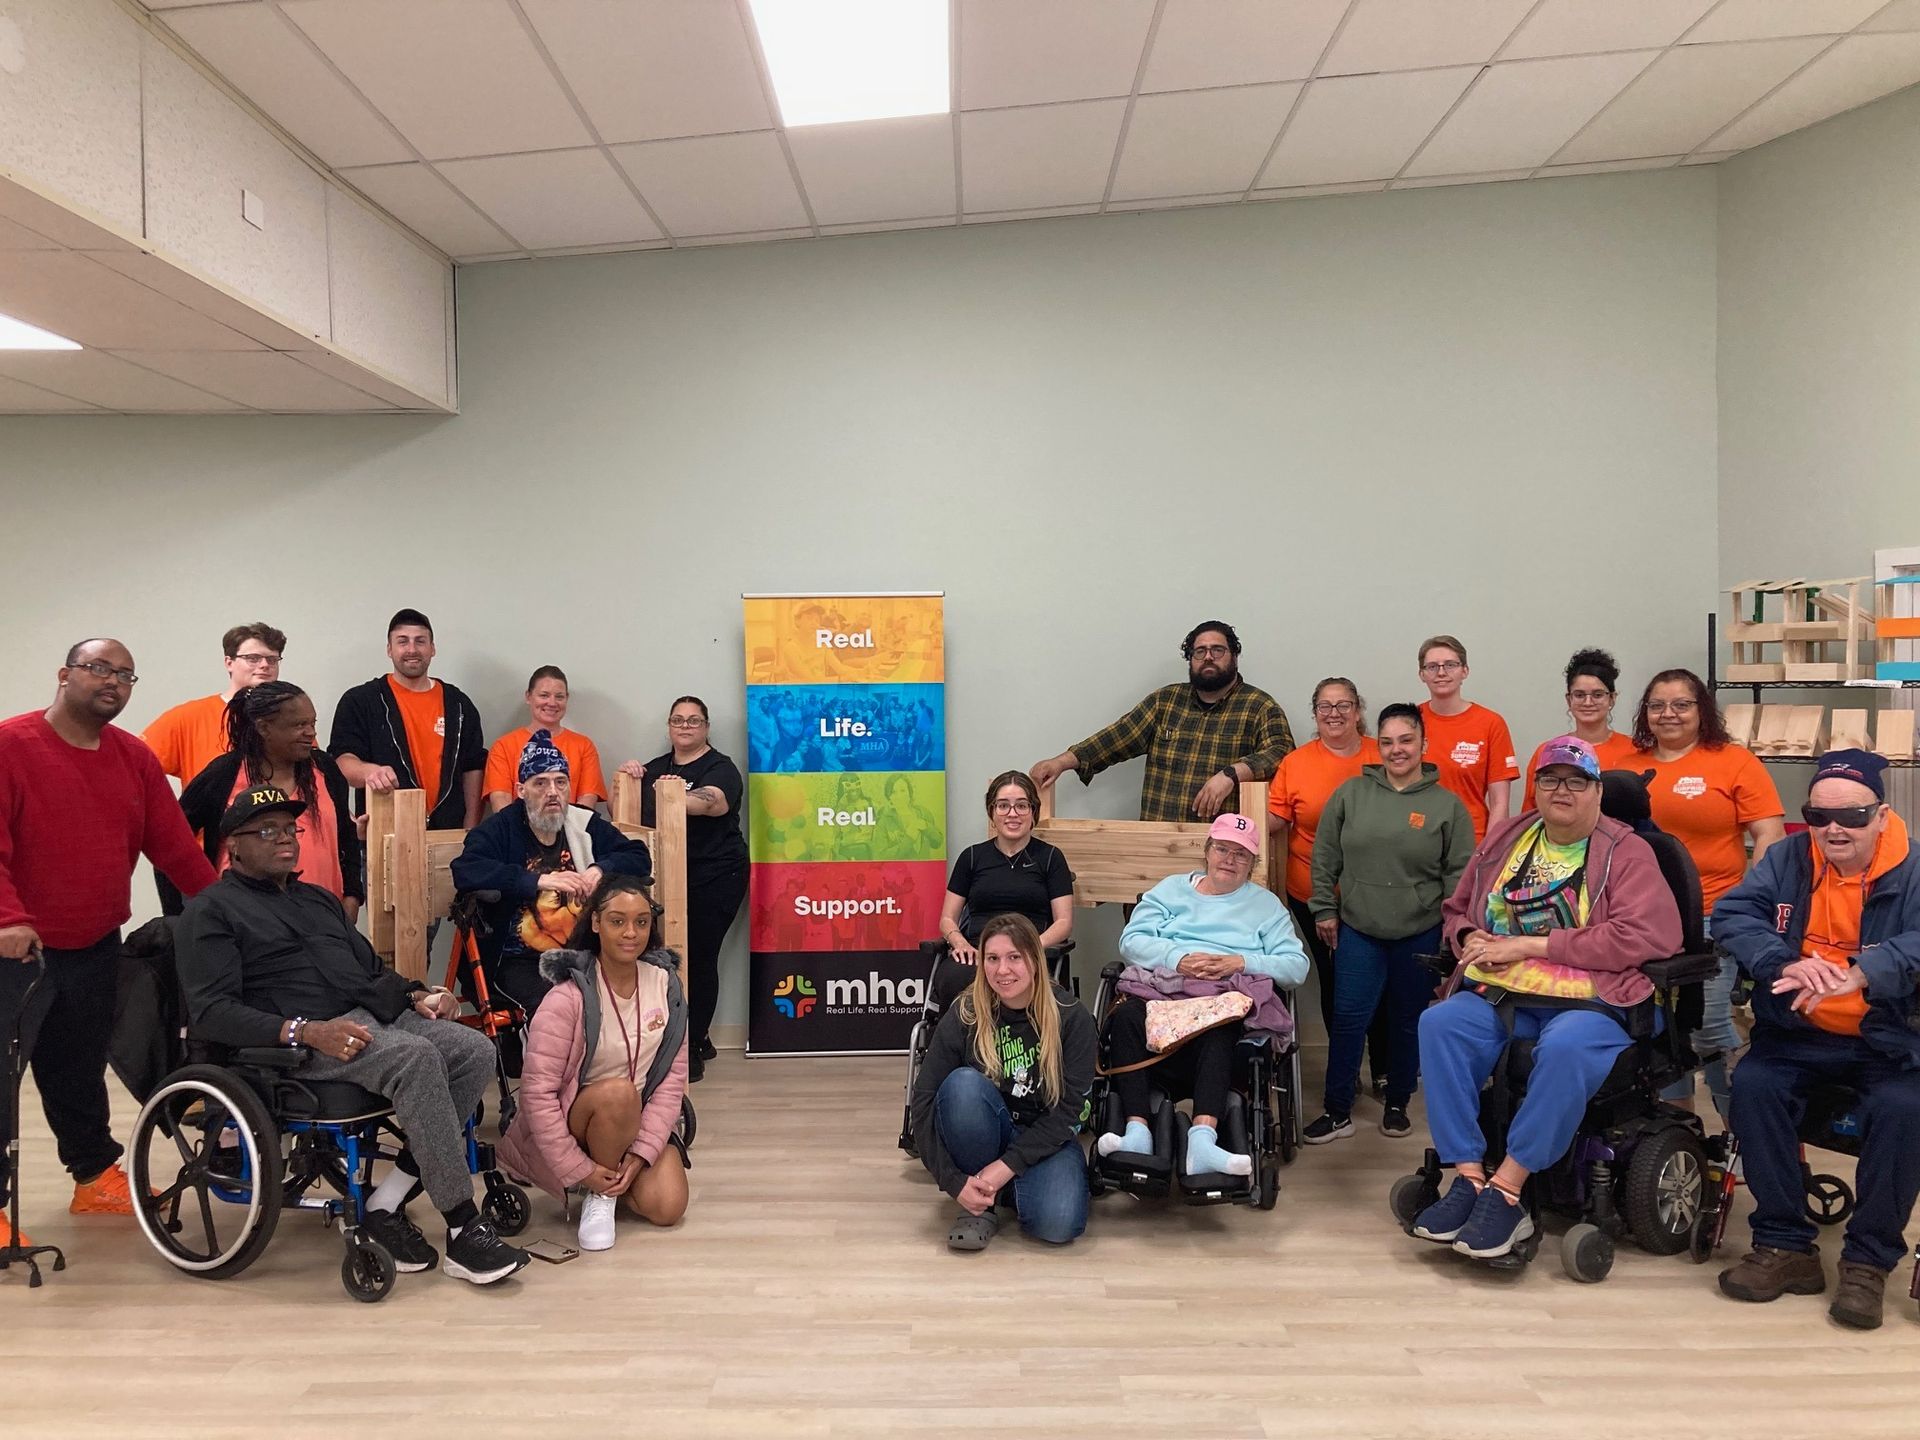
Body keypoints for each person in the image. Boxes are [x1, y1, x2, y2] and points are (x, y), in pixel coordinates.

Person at [178, 785, 529, 1286]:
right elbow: (211, 1012)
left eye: (290, 829)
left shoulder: (317, 901)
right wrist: (306, 1031)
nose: (286, 840)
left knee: (472, 1048)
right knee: (414, 1057)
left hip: (367, 1018)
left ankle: (384, 1204)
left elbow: (367, 970)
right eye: (268, 831)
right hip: (294, 1045)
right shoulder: (210, 911)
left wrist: (416, 995)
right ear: (233, 845)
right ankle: (462, 1228)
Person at [1407, 737, 1682, 1261]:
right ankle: (1467, 1177)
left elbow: (1650, 936)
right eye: (1550, 779)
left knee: (1565, 1049)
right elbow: (1458, 908)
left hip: (1592, 1000)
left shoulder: (1628, 852)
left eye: (1576, 781)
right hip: (1503, 992)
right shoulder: (1509, 835)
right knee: (1440, 1025)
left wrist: (1535, 944)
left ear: (1597, 791)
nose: (1562, 790)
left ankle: (1508, 1190)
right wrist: (1467, 938)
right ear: (1535, 788)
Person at [0, 640, 218, 1245]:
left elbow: (173, 845)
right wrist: (7, 919)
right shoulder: (10, 746)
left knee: (78, 1067)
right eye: (100, 668)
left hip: (95, 942)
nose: (114, 682)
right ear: (64, 674)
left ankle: (94, 1176)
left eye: (126, 675)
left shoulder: (134, 758)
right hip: (16, 951)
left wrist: (228, 910)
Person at [1713, 750, 1920, 1331]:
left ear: (1881, 815)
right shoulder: (1785, 859)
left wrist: (1864, 972)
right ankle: (1786, 1246)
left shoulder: (1915, 870)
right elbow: (1733, 915)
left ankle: (1867, 1264)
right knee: (1753, 1084)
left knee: (1906, 1108)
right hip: (1797, 1032)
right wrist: (1785, 960)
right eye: (1819, 815)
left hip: (1890, 1039)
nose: (1835, 829)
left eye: (1853, 816)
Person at [1097, 813, 1309, 1178]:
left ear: (1254, 864)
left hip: (1220, 1000)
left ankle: (1204, 1140)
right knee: (1129, 1016)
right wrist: (1178, 960)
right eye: (1222, 849)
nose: (1229, 859)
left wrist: (1239, 962)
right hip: (1163, 990)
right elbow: (1131, 941)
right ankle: (1136, 1132)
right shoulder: (1170, 890)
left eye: (1241, 854)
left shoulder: (1267, 907)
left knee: (1221, 1022)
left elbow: (1296, 966)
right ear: (1207, 851)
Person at [1304, 703, 1474, 1143]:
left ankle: (1398, 1101)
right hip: (1359, 929)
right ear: (1376, 745)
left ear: (1422, 744)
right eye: (1387, 741)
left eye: (1406, 740)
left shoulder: (1447, 807)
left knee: (1407, 1020)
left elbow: (1459, 875)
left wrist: (1451, 931)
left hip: (1419, 931)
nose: (1396, 750)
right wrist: (1324, 908)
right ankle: (1337, 1109)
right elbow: (1325, 856)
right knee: (1347, 1020)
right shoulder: (1351, 794)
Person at [497, 873, 689, 1252]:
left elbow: (671, 1081)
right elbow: (537, 1096)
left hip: (630, 1125)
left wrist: (641, 1153)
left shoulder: (666, 985)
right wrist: (580, 1167)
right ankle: (598, 1195)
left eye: (641, 922)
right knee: (619, 1093)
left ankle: (613, 1180)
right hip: (578, 1124)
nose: (630, 933)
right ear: (597, 923)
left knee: (668, 1206)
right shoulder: (566, 997)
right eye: (617, 921)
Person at [1626, 667, 1785, 1117]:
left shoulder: (1733, 761)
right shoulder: (1630, 764)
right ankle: (1682, 1132)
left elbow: (1769, 832)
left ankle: (1749, 1122)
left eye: (1681, 704)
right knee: (1664, 1030)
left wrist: (1750, 900)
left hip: (1715, 914)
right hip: (1644, 919)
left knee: (1709, 1023)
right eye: (1657, 705)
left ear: (1702, 710)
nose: (1668, 714)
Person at [909, 914, 1096, 1251]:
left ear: (1035, 961)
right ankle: (983, 1200)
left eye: (1014, 957)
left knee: (1058, 1225)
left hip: (1044, 1137)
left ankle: (1000, 1185)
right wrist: (952, 1182)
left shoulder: (1072, 1017)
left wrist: (1006, 1165)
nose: (1002, 970)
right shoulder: (966, 1011)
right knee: (962, 1087)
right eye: (992, 958)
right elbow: (923, 1098)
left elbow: (1072, 1111)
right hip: (984, 1128)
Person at [451, 731, 652, 1020]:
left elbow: (638, 856)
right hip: (515, 960)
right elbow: (465, 870)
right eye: (541, 783)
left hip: (585, 953)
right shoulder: (499, 828)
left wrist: (599, 870)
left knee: (643, 991)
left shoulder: (583, 822)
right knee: (562, 1008)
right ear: (521, 789)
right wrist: (537, 881)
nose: (553, 792)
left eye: (561, 782)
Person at [1030, 620, 1294, 822]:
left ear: (1234, 656)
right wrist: (1060, 763)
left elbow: (1282, 753)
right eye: (1199, 651)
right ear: (1190, 659)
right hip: (1157, 846)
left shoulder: (1260, 706)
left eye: (1217, 650)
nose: (1208, 657)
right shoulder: (1165, 702)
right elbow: (1115, 738)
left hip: (1222, 852)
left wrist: (1230, 775)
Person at [1266, 678, 1383, 1080]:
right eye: (1325, 706)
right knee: (1336, 980)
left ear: (1358, 710)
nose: (1334, 713)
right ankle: (1345, 1069)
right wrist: (1231, 829)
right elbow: (1277, 818)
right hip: (1313, 893)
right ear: (1315, 713)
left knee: (1381, 980)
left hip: (1378, 892)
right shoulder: (1296, 762)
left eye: (1344, 705)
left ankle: (1384, 1069)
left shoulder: (1382, 754)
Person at [167, 681, 361, 919]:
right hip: (246, 926)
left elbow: (347, 838)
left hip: (323, 924)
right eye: (299, 725)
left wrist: (352, 897)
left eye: (312, 723)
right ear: (263, 728)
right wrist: (184, 916)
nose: (311, 733)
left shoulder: (324, 769)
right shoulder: (225, 774)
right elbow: (172, 840)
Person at [634, 697, 748, 1083]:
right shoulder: (657, 768)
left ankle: (695, 1043)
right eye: (678, 720)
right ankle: (684, 1036)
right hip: (668, 877)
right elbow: (629, 805)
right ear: (669, 726)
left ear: (706, 727)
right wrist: (633, 777)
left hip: (718, 875)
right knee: (667, 959)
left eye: (694, 721)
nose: (685, 726)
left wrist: (674, 796)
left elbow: (713, 803)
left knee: (698, 957)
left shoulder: (722, 768)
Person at [328, 609, 487, 832]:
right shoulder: (360, 701)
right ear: (389, 649)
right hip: (384, 836)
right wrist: (369, 772)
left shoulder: (459, 704)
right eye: (402, 641)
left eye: (420, 641)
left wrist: (470, 827)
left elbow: (473, 767)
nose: (412, 649)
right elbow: (341, 761)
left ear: (432, 649)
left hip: (449, 836)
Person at [934, 771, 1075, 1010]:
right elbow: (947, 918)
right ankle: (966, 1046)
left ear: (1033, 812)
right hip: (978, 952)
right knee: (956, 977)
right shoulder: (971, 857)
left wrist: (1030, 947)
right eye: (1003, 806)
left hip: (1029, 950)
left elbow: (1064, 922)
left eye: (1021, 805)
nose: (1012, 813)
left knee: (1022, 979)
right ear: (992, 812)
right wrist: (959, 943)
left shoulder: (1051, 858)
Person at [142, 621, 286, 785]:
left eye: (272, 659)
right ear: (229, 663)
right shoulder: (188, 717)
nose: (265, 665)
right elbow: (135, 767)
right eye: (253, 658)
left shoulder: (290, 717)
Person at [1416, 634, 1517, 843]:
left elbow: (1500, 803)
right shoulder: (1411, 722)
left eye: (1450, 665)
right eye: (1432, 666)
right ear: (1422, 674)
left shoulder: (1491, 723)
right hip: (1418, 842)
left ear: (1465, 671)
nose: (1441, 672)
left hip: (1471, 841)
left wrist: (1488, 851)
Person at [1520, 648, 1639, 812]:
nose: (1588, 702)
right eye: (1580, 695)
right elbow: (1532, 813)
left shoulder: (1635, 750)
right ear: (1569, 700)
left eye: (1597, 695)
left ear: (1612, 698)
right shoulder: (1548, 751)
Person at [482, 666, 611, 815]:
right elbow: (500, 800)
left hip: (568, 832)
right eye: (544, 695)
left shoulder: (584, 746)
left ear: (567, 699)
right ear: (528, 697)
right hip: (518, 833)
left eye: (559, 697)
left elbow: (587, 801)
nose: (552, 702)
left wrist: (562, 833)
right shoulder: (503, 746)